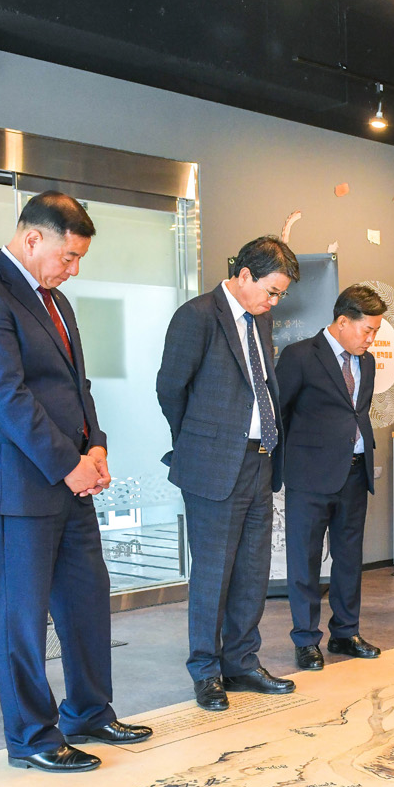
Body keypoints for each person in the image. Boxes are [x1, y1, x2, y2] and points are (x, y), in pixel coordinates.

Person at [0, 191, 152, 772]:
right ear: (32, 238)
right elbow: (5, 396)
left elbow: (76, 386)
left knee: (86, 601)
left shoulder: (57, 301)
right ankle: (32, 736)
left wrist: (96, 445)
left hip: (70, 481)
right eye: (69, 256)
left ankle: (89, 711)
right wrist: (69, 464)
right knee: (20, 619)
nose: (74, 269)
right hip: (16, 488)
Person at [156, 236, 297, 711]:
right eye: (271, 291)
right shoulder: (196, 316)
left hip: (260, 460)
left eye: (280, 296)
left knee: (253, 571)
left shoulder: (260, 320)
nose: (274, 302)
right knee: (213, 574)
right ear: (245, 275)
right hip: (214, 466)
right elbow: (170, 390)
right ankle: (205, 670)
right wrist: (200, 444)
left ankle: (241, 662)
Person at [276, 284, 385, 671]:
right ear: (342, 322)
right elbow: (279, 414)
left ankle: (345, 632)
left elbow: (356, 413)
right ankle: (306, 640)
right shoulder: (300, 356)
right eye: (367, 330)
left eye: (376, 332)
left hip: (354, 474)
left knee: (349, 560)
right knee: (304, 561)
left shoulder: (366, 363)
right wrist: (286, 466)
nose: (371, 339)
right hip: (309, 478)